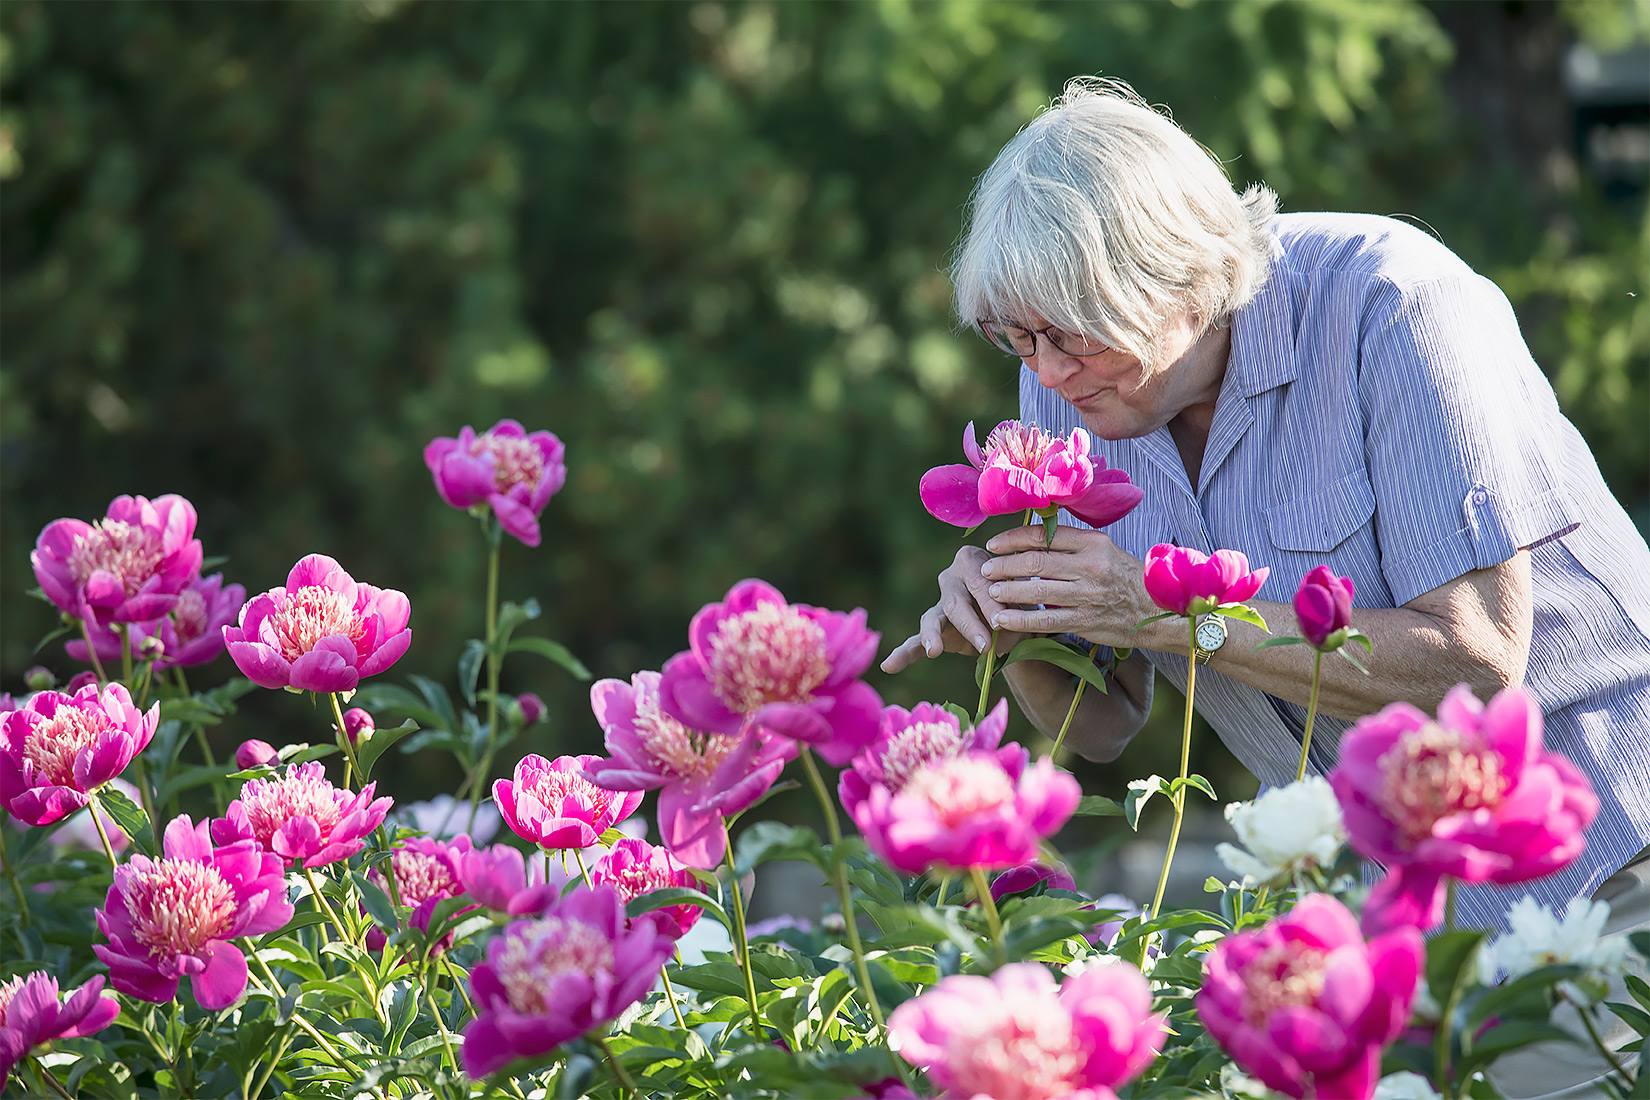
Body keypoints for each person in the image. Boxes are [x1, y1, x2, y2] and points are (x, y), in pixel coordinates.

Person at [880, 78, 1650, 1098]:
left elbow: (1473, 667)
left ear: (1174, 276)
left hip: (1606, 855)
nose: (1048, 374)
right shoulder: (1070, 381)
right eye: (1016, 340)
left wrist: (1164, 615)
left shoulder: (1395, 303)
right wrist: (1022, 617)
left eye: (1071, 333)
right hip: (1403, 913)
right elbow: (1103, 724)